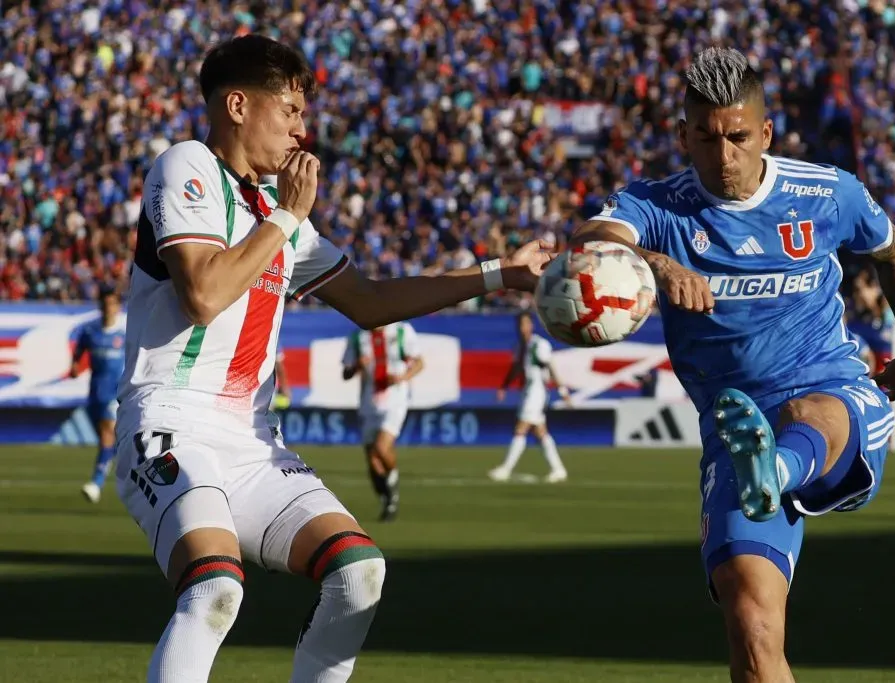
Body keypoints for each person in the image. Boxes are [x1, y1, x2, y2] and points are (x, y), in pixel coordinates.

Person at [113, 34, 551, 683]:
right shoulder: (189, 166)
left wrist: (500, 274)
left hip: (252, 445)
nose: (301, 129)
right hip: (168, 423)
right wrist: (288, 218)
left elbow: (369, 299)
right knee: (214, 588)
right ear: (237, 105)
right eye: (289, 109)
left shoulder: (279, 216)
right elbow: (203, 294)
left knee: (358, 571)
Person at [572, 47, 895, 682]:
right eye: (706, 138)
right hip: (734, 425)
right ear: (683, 136)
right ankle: (763, 466)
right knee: (753, 631)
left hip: (833, 390)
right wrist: (661, 264)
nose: (724, 154)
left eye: (738, 137)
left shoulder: (826, 192)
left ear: (765, 132)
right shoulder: (655, 206)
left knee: (808, 411)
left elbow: (893, 253)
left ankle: (778, 465)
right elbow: (594, 240)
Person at [342, 322, 424, 522]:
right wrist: (357, 366)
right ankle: (388, 499)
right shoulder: (358, 337)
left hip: (395, 399)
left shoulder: (402, 331)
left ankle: (393, 480)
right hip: (369, 403)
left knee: (381, 447)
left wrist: (402, 377)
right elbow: (346, 373)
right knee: (372, 460)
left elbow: (420, 363)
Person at [489, 312, 570, 484]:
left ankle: (506, 469)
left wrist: (562, 391)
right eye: (519, 324)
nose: (522, 328)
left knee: (521, 428)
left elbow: (550, 366)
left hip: (537, 391)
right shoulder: (520, 346)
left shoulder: (539, 344)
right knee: (540, 432)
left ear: (531, 325)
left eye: (525, 324)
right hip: (527, 390)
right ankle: (558, 469)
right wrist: (504, 386)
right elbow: (517, 367)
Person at [72, 285, 126, 503]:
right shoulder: (89, 331)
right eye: (104, 304)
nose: (108, 308)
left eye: (112, 304)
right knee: (106, 441)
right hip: (95, 393)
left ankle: (96, 483)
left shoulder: (125, 334)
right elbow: (78, 353)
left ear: (117, 307)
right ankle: (114, 468)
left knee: (107, 434)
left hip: (115, 393)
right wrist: (75, 365)